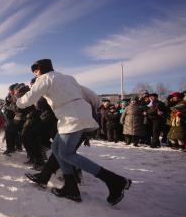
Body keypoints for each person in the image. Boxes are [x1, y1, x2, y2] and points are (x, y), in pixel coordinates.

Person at [17, 59, 131, 205]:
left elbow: (27, 100)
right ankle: (71, 187)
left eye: (35, 71)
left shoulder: (44, 78)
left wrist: (18, 101)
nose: (35, 73)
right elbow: (93, 96)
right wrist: (93, 109)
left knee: (66, 153)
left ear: (39, 70)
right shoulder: (67, 78)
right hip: (77, 114)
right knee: (56, 148)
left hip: (71, 117)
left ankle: (114, 180)